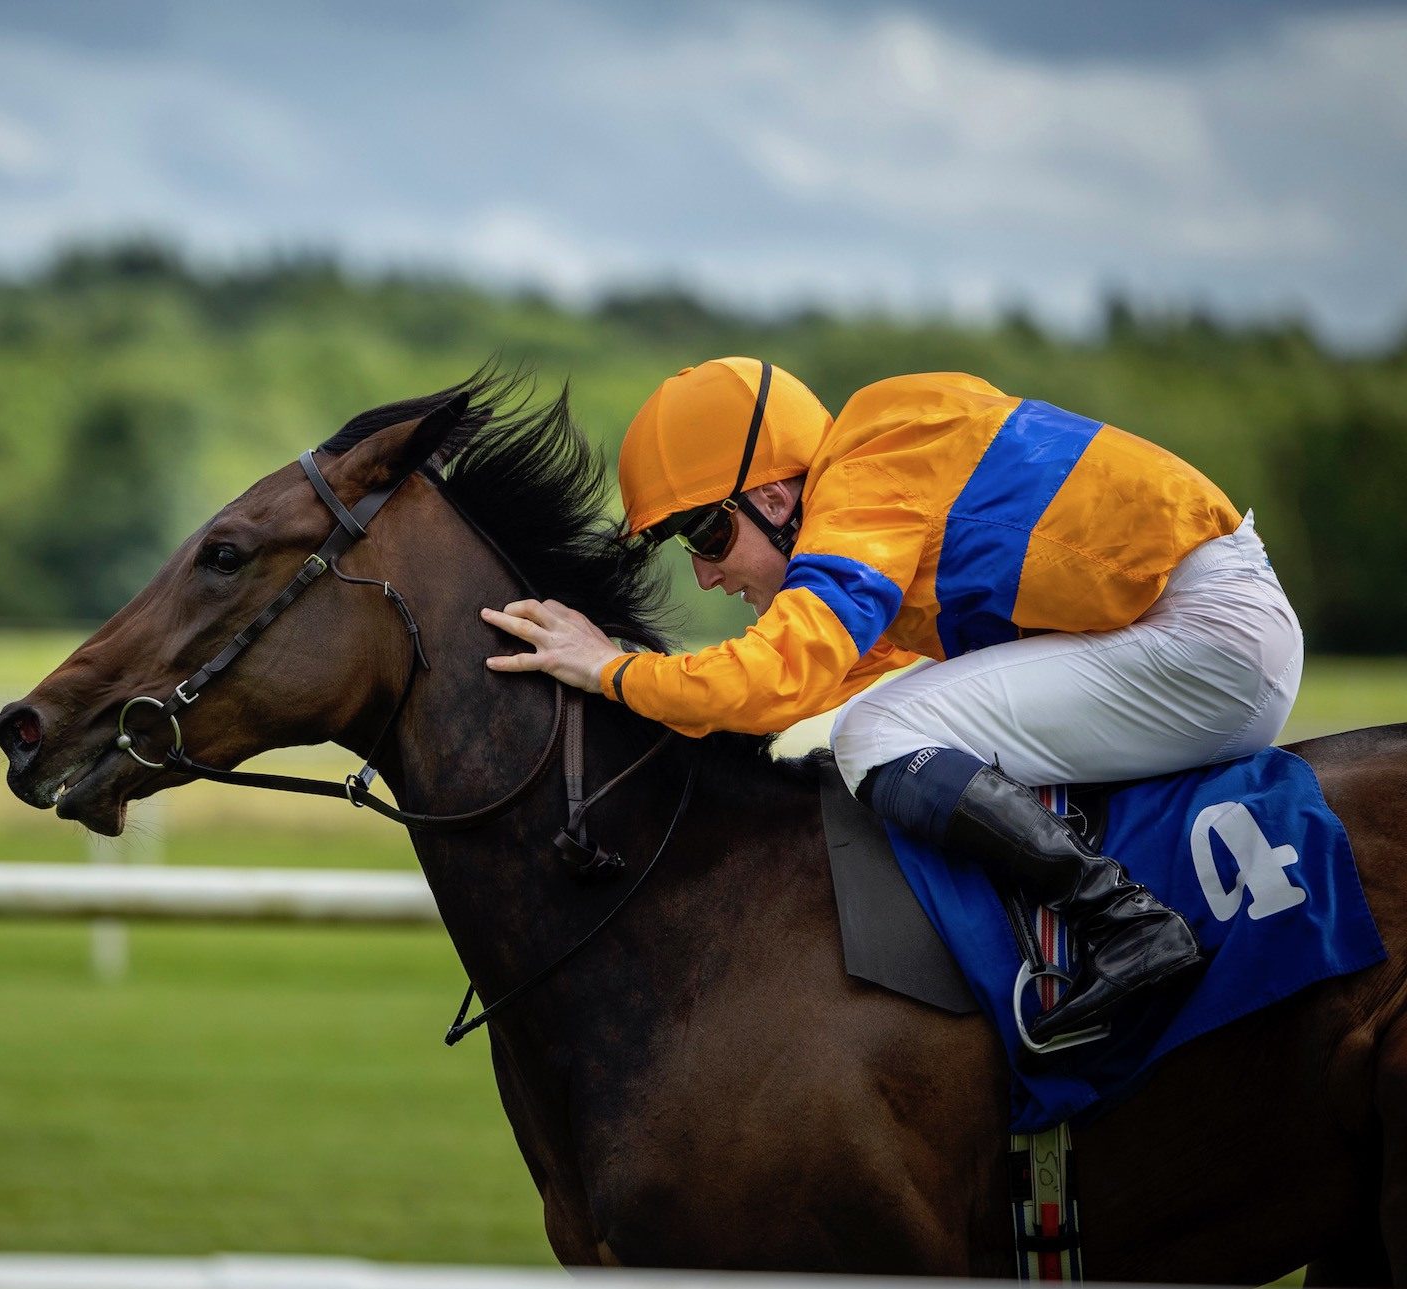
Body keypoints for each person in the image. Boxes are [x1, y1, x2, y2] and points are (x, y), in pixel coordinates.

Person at [480, 358, 1303, 1042]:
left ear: (772, 499)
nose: (703, 573)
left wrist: (612, 670)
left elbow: (777, 677)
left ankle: (1122, 920)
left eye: (707, 535)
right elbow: (801, 685)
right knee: (877, 721)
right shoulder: (880, 467)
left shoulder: (865, 479)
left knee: (876, 732)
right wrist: (631, 675)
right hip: (1203, 629)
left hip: (1206, 636)